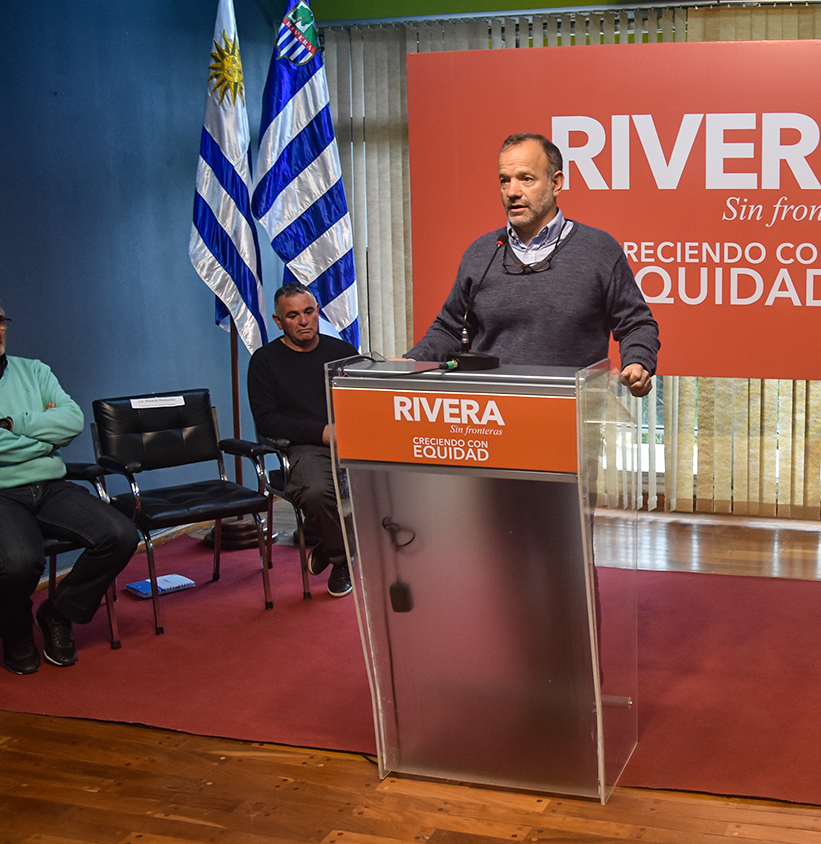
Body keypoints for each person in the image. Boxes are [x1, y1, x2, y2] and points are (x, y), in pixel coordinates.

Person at [406, 133, 658, 395]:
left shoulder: (599, 250)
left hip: (571, 409)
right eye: (505, 181)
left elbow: (637, 324)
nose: (512, 192)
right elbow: (450, 329)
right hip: (492, 410)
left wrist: (637, 362)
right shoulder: (481, 253)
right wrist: (411, 362)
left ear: (556, 183)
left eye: (526, 179)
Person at [0, 285, 139, 674]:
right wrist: (43, 443)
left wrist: (9, 425)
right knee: (19, 562)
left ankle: (58, 613)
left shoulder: (35, 370)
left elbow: (71, 420)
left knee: (121, 535)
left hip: (49, 486)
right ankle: (15, 633)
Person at [247, 283, 359, 597]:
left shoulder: (343, 352)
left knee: (403, 481)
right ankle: (341, 560)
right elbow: (266, 420)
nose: (304, 321)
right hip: (306, 446)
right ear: (278, 321)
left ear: (317, 311)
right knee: (315, 491)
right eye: (293, 315)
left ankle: (330, 543)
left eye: (309, 312)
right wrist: (321, 432)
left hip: (354, 441)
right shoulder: (264, 361)